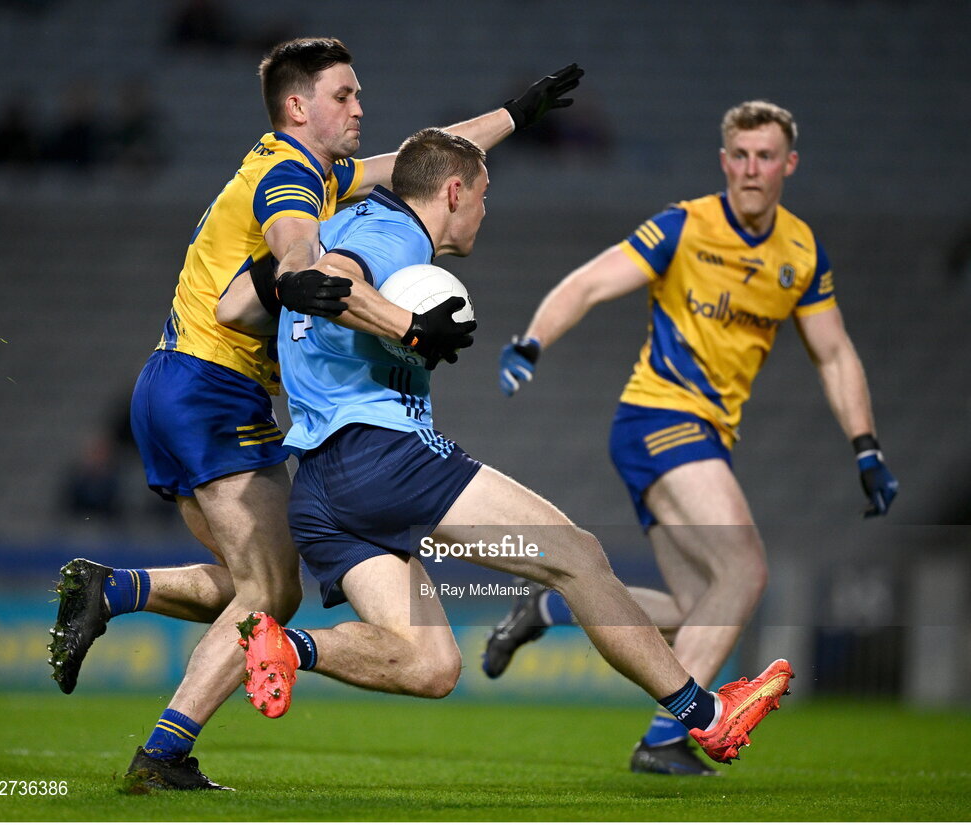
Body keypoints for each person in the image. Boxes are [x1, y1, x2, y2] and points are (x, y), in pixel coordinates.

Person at [47, 37, 584, 792]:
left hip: (185, 383)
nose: (359, 105)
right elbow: (295, 249)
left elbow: (413, 164)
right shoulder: (291, 176)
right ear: (298, 107)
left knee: (261, 582)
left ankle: (116, 592)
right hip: (211, 387)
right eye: (344, 95)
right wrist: (394, 319)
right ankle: (160, 756)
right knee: (269, 591)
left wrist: (512, 116)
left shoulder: (319, 170)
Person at [219, 127, 794, 780]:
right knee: (577, 556)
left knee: (431, 664)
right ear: (454, 191)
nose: (485, 213)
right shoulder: (394, 232)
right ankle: (704, 716)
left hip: (319, 484)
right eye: (484, 196)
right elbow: (335, 277)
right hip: (382, 454)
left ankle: (286, 647)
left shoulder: (333, 221)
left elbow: (235, 305)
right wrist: (406, 325)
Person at [481, 100, 899, 776]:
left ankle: (550, 605)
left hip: (702, 434)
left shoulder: (801, 251)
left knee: (692, 608)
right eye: (739, 155)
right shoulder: (684, 224)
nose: (751, 168)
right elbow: (590, 282)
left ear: (787, 164)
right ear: (723, 161)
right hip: (657, 416)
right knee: (744, 568)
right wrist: (531, 341)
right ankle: (667, 734)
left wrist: (866, 445)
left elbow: (833, 353)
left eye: (765, 156)